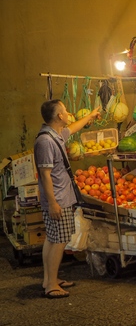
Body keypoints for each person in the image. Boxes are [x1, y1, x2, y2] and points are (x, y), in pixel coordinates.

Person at [34, 100, 100, 299]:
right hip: (58, 199)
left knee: (52, 239)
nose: (69, 113)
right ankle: (52, 285)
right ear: (59, 116)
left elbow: (73, 128)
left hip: (61, 196)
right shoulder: (45, 141)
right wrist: (53, 203)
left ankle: (49, 279)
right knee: (59, 241)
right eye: (65, 110)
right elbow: (44, 175)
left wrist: (90, 116)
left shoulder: (55, 135)